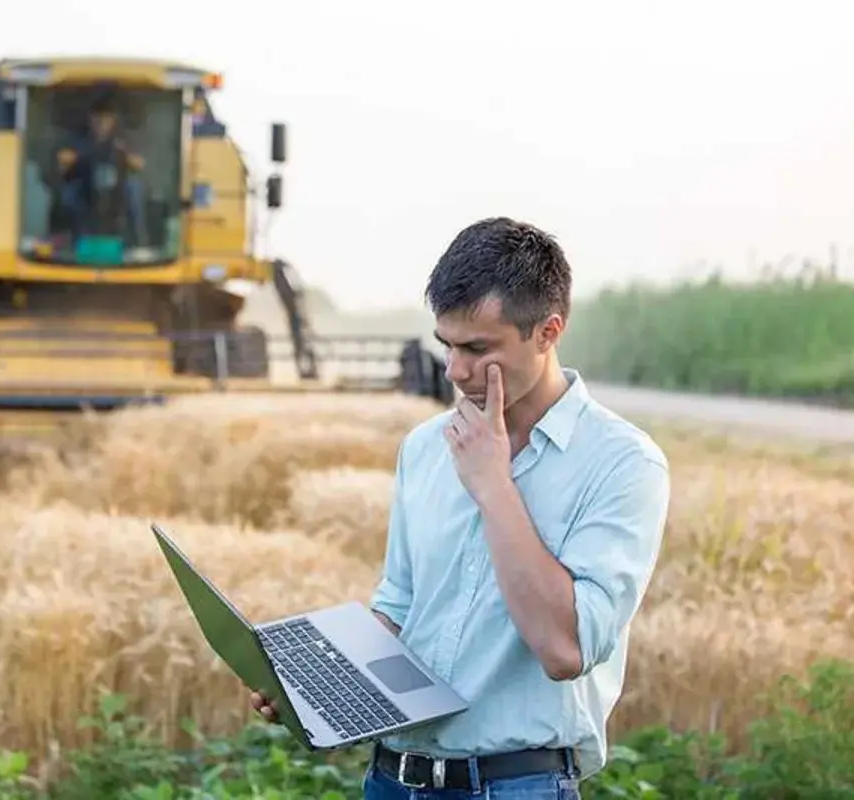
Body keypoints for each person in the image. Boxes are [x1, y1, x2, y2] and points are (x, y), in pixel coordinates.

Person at [249, 217, 671, 798]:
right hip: (390, 780)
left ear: (548, 332)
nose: (455, 371)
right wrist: (315, 681)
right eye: (446, 345)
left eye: (478, 348)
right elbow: (398, 609)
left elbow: (564, 648)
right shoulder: (424, 448)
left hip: (514, 785)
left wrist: (493, 483)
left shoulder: (623, 464)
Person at [54, 94, 148, 247]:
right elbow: (62, 158)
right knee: (69, 195)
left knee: (134, 189)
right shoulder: (79, 138)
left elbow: (140, 164)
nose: (102, 123)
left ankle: (139, 242)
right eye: (98, 118)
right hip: (84, 184)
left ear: (113, 120)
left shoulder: (123, 139)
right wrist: (77, 154)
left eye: (106, 118)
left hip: (118, 187)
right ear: (91, 119)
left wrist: (125, 154)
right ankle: (76, 240)